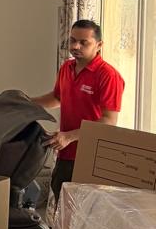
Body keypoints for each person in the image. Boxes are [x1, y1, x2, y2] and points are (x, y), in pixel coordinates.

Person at [29, 19, 124, 206]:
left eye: (83, 42)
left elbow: (109, 121)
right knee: (62, 209)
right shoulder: (67, 67)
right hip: (65, 153)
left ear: (99, 45)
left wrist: (69, 136)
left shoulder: (108, 75)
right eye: (72, 40)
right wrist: (27, 102)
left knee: (85, 213)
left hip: (91, 157)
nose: (75, 46)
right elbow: (57, 98)